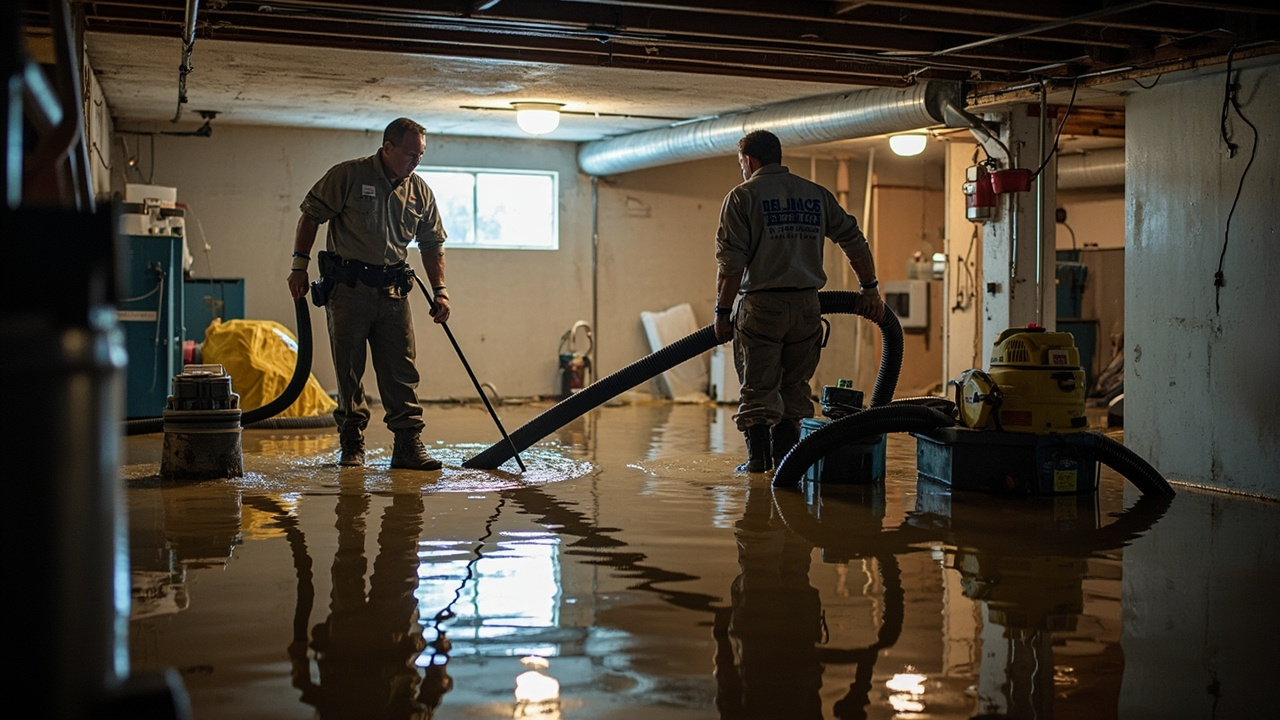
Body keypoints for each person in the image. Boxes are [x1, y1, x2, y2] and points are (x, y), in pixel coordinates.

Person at [713, 130, 884, 473]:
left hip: (762, 308)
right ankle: (789, 467)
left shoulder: (742, 197)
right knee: (795, 391)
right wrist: (870, 289)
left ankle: (758, 464)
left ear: (749, 161)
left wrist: (722, 312)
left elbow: (731, 265)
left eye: (741, 164)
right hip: (808, 307)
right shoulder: (815, 194)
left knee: (758, 392)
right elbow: (854, 240)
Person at [286, 117, 451, 470]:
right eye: (410, 155)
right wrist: (299, 266)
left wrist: (441, 291)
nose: (415, 163)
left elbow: (432, 243)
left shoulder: (419, 191)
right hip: (349, 291)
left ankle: (407, 445)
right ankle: (352, 444)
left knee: (401, 371)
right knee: (349, 370)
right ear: (387, 148)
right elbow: (311, 215)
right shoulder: (348, 176)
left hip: (394, 293)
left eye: (420, 155)